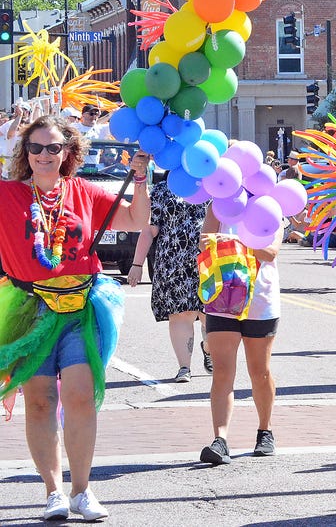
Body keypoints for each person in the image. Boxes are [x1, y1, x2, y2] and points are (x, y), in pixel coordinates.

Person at [0, 115, 150, 521]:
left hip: (80, 308)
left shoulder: (84, 191)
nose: (45, 155)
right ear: (25, 153)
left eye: (53, 147)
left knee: (81, 395)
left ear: (68, 152)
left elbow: (137, 221)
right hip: (30, 309)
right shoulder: (7, 195)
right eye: (36, 148)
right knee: (39, 401)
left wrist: (139, 180)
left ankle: (82, 492)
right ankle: (53, 493)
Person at [198, 208, 284, 466]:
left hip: (261, 299)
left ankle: (265, 431)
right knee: (222, 371)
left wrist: (234, 242)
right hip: (223, 294)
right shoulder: (220, 202)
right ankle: (220, 439)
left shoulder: (271, 205)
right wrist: (212, 243)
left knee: (260, 371)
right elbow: (205, 240)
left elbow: (270, 252)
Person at [129, 173, 212, 382]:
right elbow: (149, 230)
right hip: (173, 263)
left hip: (209, 261)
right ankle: (184, 367)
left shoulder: (212, 184)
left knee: (209, 315)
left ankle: (209, 349)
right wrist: (136, 264)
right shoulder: (162, 190)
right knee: (180, 315)